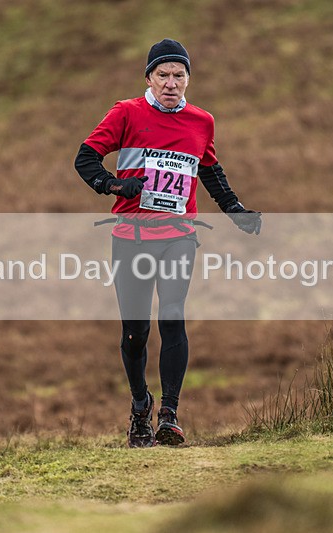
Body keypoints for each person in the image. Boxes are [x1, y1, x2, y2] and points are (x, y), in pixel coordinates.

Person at [74, 38, 261, 448]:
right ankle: (141, 407)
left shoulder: (202, 121)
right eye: (163, 75)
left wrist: (236, 209)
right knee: (135, 332)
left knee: (173, 317)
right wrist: (112, 184)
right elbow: (85, 158)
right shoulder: (126, 113)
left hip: (178, 236)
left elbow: (209, 170)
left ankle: (170, 416)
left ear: (189, 78)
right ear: (149, 78)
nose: (172, 83)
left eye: (179, 75)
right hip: (131, 238)